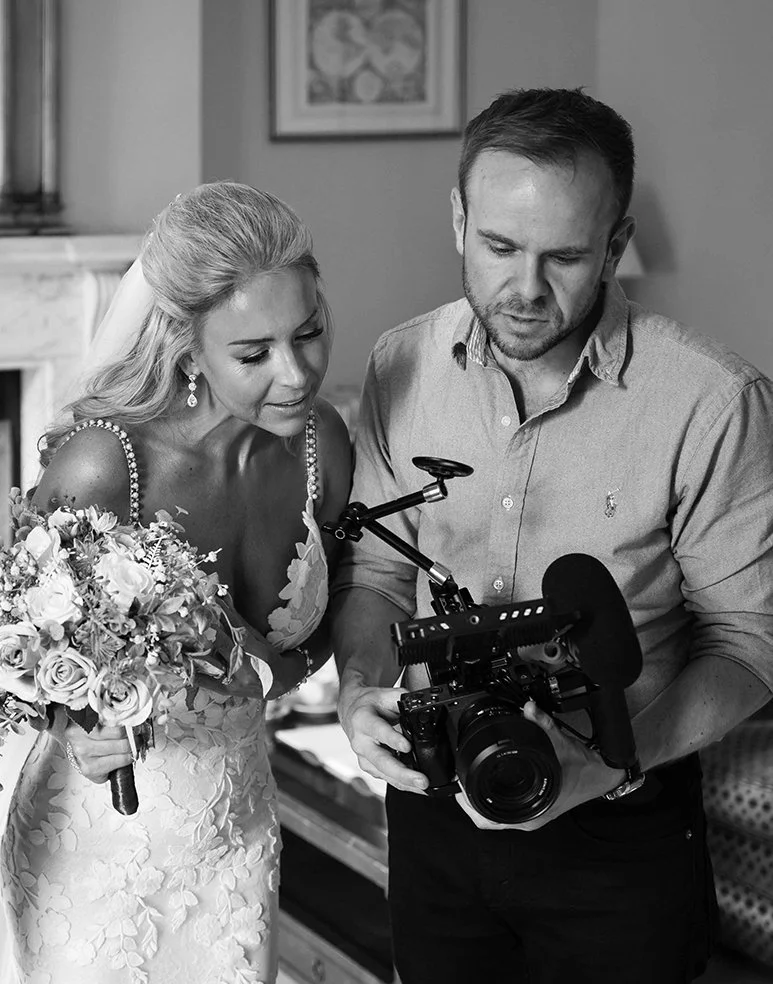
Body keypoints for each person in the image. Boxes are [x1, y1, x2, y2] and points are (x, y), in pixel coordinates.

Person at [331, 88, 773, 984]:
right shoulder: (397, 364)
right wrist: (358, 691)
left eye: (564, 256)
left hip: (623, 820)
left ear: (613, 245)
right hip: (434, 809)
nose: (525, 288)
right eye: (498, 246)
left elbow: (749, 645)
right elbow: (375, 569)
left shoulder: (711, 401)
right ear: (457, 219)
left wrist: (603, 766)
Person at [0, 181, 352, 983]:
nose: (297, 374)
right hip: (98, 848)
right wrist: (69, 720)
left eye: (310, 333)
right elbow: (15, 644)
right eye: (254, 354)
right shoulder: (107, 465)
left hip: (235, 830)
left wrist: (260, 666)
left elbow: (336, 619)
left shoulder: (318, 447)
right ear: (190, 349)